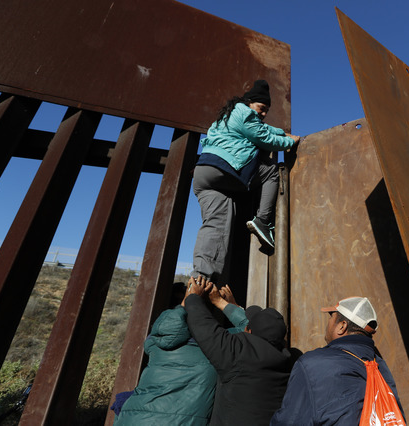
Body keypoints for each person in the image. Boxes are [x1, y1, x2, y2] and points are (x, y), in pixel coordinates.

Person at [192, 79, 301, 285]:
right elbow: (265, 139)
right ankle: (263, 221)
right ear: (250, 103)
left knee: (214, 226)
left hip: (203, 174)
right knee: (270, 173)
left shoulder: (228, 116)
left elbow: (264, 129)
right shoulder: (245, 113)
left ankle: (201, 279)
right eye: (261, 108)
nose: (263, 114)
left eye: (266, 111)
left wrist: (279, 131)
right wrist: (290, 141)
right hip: (224, 168)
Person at [113, 282, 248, 426]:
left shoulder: (155, 340)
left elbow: (172, 321)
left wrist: (188, 300)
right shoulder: (216, 344)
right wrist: (223, 303)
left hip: (132, 419)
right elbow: (252, 330)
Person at [270, 297, 404, 425]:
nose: (328, 322)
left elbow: (291, 420)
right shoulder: (380, 366)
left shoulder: (312, 364)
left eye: (331, 316)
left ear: (342, 326)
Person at [183, 276, 293, 425]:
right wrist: (226, 304)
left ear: (248, 330)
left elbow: (203, 326)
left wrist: (194, 296)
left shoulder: (239, 353)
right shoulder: (288, 362)